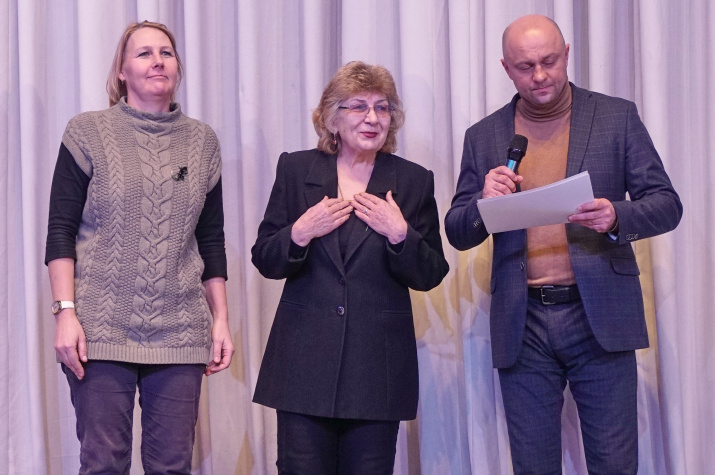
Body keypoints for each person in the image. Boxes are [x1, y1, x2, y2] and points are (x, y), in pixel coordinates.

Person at [444, 14, 682, 475]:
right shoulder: (484, 136)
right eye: (525, 66)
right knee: (533, 466)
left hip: (600, 315)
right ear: (506, 68)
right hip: (523, 322)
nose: (539, 75)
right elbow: (457, 229)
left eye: (549, 61)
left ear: (567, 54)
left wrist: (617, 216)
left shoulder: (616, 117)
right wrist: (482, 203)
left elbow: (666, 204)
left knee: (615, 464)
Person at [45, 21, 234, 474]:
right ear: (122, 70)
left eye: (166, 53)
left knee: (171, 466)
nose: (157, 62)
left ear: (178, 67)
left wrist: (221, 321)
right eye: (144, 53)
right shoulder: (87, 132)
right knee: (103, 464)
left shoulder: (202, 142)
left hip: (181, 330)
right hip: (99, 329)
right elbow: (60, 230)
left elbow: (211, 239)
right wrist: (65, 313)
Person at [251, 61, 449, 474]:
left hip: (377, 371)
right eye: (359, 106)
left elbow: (431, 273)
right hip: (303, 367)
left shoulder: (413, 180)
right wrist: (300, 232)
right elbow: (265, 258)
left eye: (382, 107)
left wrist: (401, 235)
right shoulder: (296, 169)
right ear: (332, 118)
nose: (373, 118)